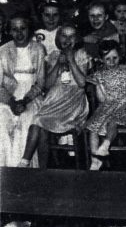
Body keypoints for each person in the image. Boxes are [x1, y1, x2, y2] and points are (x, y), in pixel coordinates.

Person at [17, 25, 92, 168]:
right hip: (54, 100)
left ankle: (24, 162)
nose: (68, 39)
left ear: (76, 39)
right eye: (64, 35)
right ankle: (36, 166)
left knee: (38, 120)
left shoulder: (81, 54)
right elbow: (47, 84)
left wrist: (71, 60)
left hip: (73, 101)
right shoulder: (53, 56)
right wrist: (58, 63)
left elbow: (82, 83)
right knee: (39, 125)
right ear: (58, 38)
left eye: (72, 36)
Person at [85, 40, 126, 170]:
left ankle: (105, 145)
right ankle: (95, 158)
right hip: (109, 104)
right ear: (101, 59)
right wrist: (99, 84)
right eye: (108, 59)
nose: (112, 62)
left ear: (120, 56)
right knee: (92, 127)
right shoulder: (100, 74)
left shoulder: (125, 69)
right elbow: (102, 98)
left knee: (113, 121)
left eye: (115, 58)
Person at [0, 16, 47, 167]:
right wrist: (12, 102)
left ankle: (23, 168)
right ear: (9, 31)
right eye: (14, 29)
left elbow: (41, 83)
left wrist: (25, 101)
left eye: (23, 29)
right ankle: (5, 168)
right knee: (2, 121)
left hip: (31, 96)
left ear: (29, 30)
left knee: (27, 121)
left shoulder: (38, 49)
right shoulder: (3, 50)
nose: (19, 33)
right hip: (8, 96)